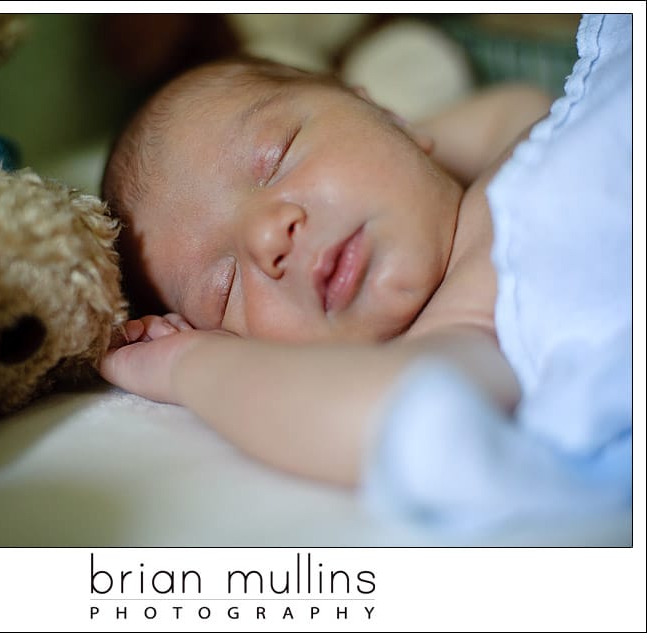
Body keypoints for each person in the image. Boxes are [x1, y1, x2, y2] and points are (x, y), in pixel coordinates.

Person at [98, 54, 558, 487]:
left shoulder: (528, 137)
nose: (267, 238)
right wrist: (189, 364)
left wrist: (392, 131)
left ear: (386, 113)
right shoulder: (468, 323)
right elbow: (396, 417)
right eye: (226, 287)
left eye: (276, 158)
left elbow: (519, 106)